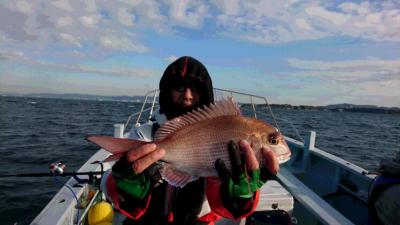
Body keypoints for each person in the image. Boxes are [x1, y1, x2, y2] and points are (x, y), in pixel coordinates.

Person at [101, 56, 280, 225]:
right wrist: (123, 189)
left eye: (195, 90)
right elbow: (107, 181)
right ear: (166, 92)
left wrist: (238, 198)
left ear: (205, 95)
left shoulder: (224, 135)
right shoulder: (145, 134)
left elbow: (224, 207)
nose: (187, 95)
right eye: (179, 88)